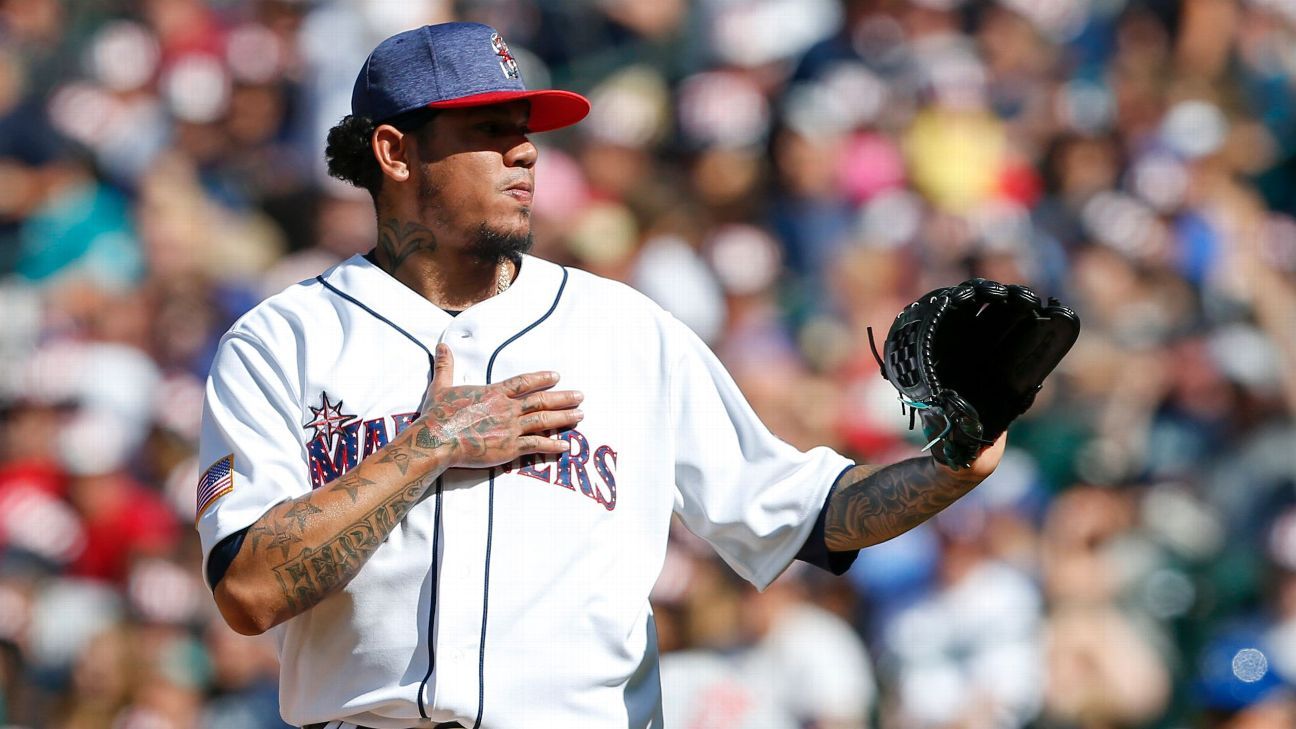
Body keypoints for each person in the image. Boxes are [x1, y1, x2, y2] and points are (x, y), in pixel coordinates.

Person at [195, 21, 1005, 729]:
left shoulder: (626, 330)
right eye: (488, 128)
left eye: (526, 129)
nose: (524, 151)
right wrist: (426, 446)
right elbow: (250, 591)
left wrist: (952, 464)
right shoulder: (284, 340)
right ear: (395, 151)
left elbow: (812, 515)